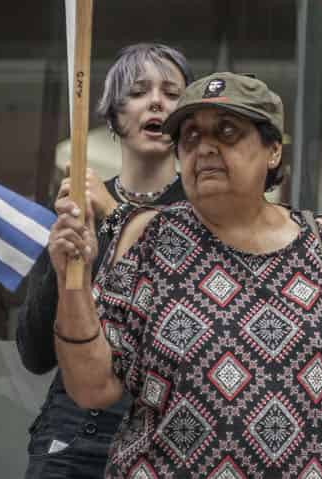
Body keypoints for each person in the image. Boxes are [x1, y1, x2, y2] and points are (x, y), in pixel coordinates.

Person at [44, 72, 322, 478]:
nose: (204, 147)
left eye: (226, 132)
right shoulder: (147, 239)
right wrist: (69, 283)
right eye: (190, 137)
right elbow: (92, 387)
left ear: (273, 150)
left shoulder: (321, 241)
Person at [16, 42, 192, 478]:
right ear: (114, 115)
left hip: (166, 441)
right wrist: (62, 266)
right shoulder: (84, 205)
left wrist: (116, 217)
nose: (156, 100)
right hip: (69, 439)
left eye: (171, 92)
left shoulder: (205, 210)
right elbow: (35, 353)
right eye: (138, 91)